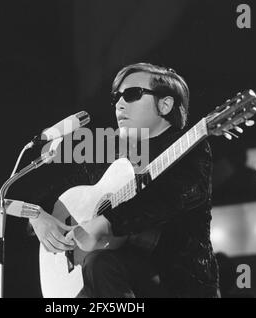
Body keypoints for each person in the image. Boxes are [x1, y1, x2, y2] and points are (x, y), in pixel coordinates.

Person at [28, 62, 219, 298]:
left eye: (132, 94)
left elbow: (178, 194)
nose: (119, 104)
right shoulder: (111, 154)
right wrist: (37, 216)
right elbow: (55, 196)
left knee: (100, 263)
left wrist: (106, 222)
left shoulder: (188, 147)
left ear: (166, 104)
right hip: (115, 280)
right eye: (117, 97)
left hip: (178, 283)